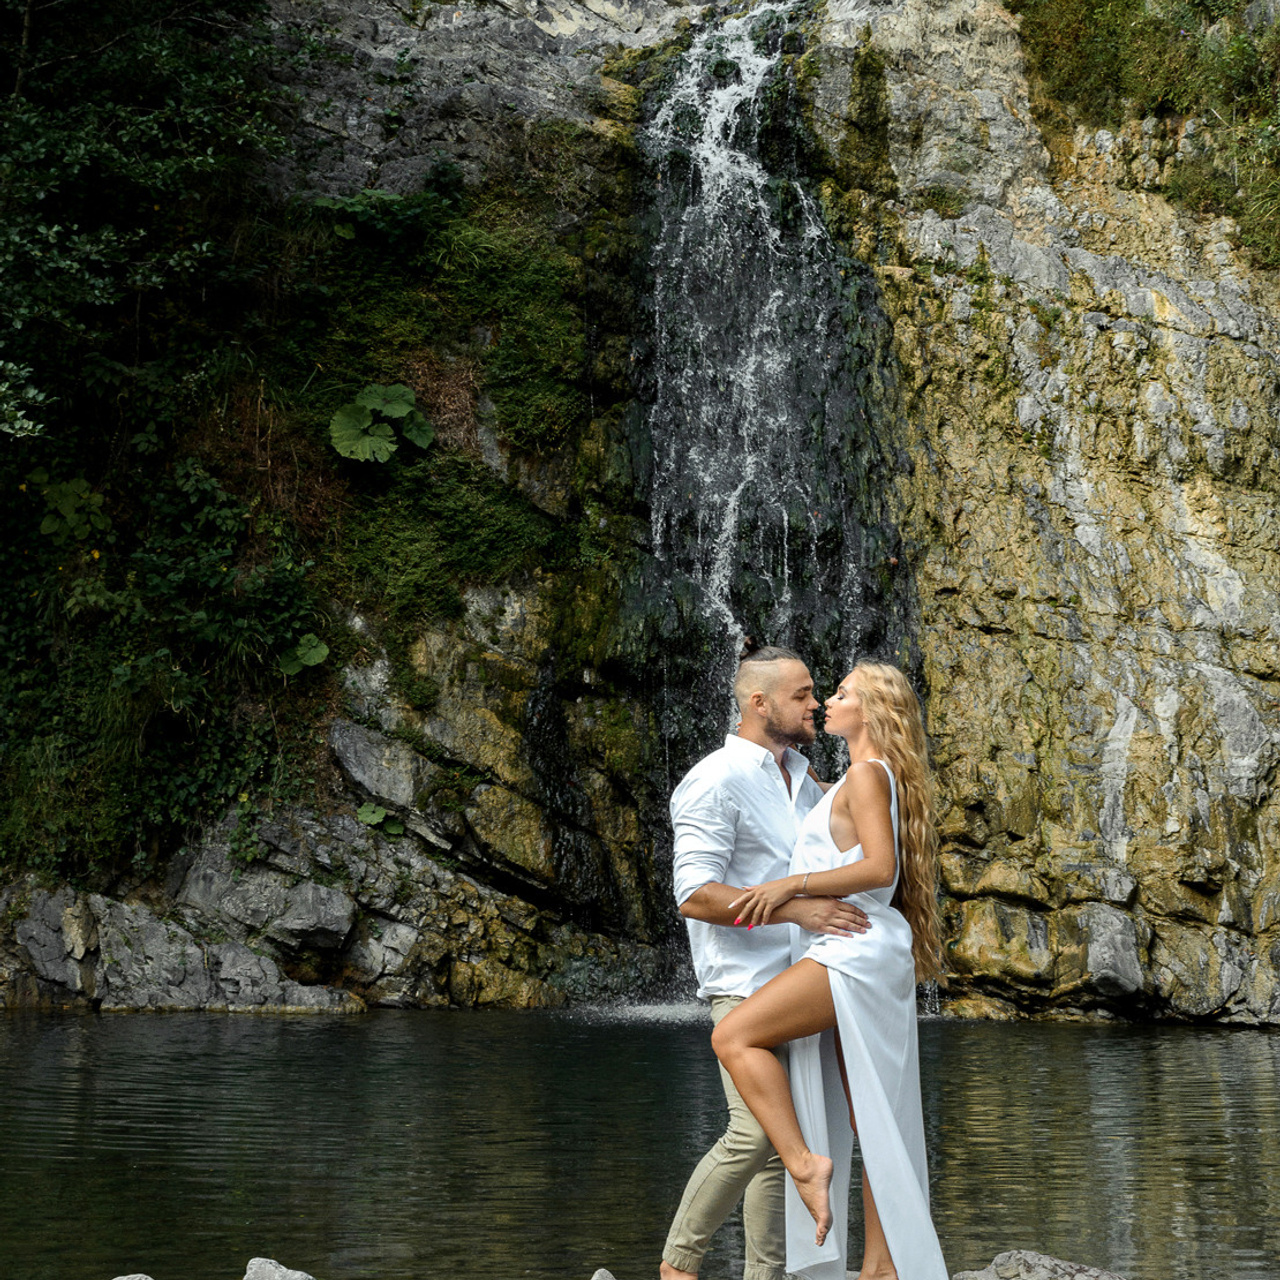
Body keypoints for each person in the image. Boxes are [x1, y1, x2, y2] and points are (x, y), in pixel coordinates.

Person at [710, 662, 948, 1280]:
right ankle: (880, 1268)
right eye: (820, 694)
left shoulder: (868, 775)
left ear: (868, 712)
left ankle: (803, 1163)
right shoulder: (859, 776)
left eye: (838, 694)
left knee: (733, 1035)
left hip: (853, 951)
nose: (824, 704)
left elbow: (878, 869)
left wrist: (793, 884)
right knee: (876, 1114)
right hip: (861, 950)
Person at [660, 645, 872, 1280]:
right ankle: (679, 1265)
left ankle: (765, 1275)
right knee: (755, 1137)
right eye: (804, 695)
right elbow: (694, 895)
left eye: (817, 695)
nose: (815, 704)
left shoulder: (804, 777)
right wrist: (794, 910)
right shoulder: (714, 780)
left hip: (802, 986)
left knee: (782, 1152)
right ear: (759, 703)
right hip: (744, 986)